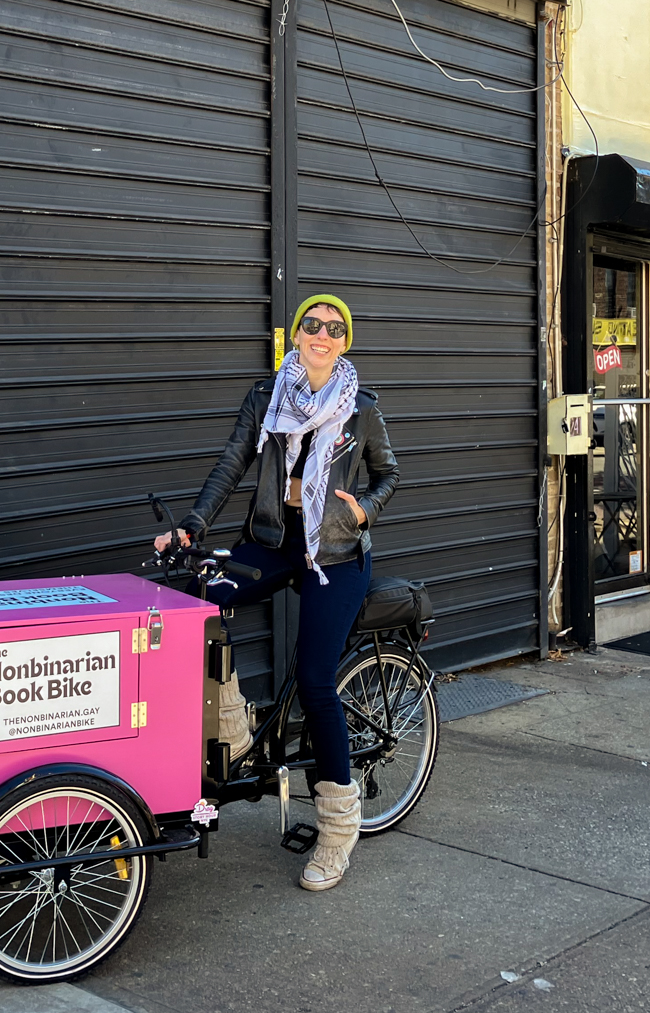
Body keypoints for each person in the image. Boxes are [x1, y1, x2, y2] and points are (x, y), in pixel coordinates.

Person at [155, 294, 399, 891]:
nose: (321, 334)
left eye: (334, 328)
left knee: (316, 680)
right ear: (295, 335)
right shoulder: (267, 397)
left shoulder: (360, 407)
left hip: (336, 555)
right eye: (311, 325)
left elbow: (389, 473)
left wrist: (364, 510)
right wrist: (195, 523)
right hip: (272, 540)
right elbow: (231, 463)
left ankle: (337, 835)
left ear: (346, 341)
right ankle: (234, 730)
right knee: (196, 606)